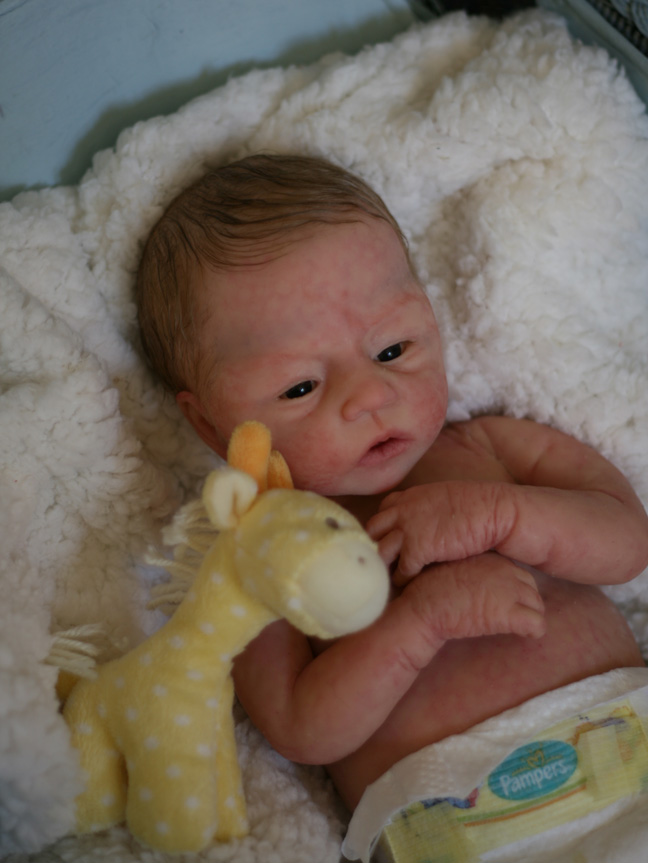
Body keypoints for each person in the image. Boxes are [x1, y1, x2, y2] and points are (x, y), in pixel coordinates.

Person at [136, 153, 648, 859]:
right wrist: (421, 622)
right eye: (300, 387)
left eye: (392, 348)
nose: (370, 396)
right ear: (209, 424)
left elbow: (627, 543)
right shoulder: (261, 557)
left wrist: (503, 515)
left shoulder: (488, 448)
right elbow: (299, 727)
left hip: (630, 748)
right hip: (464, 828)